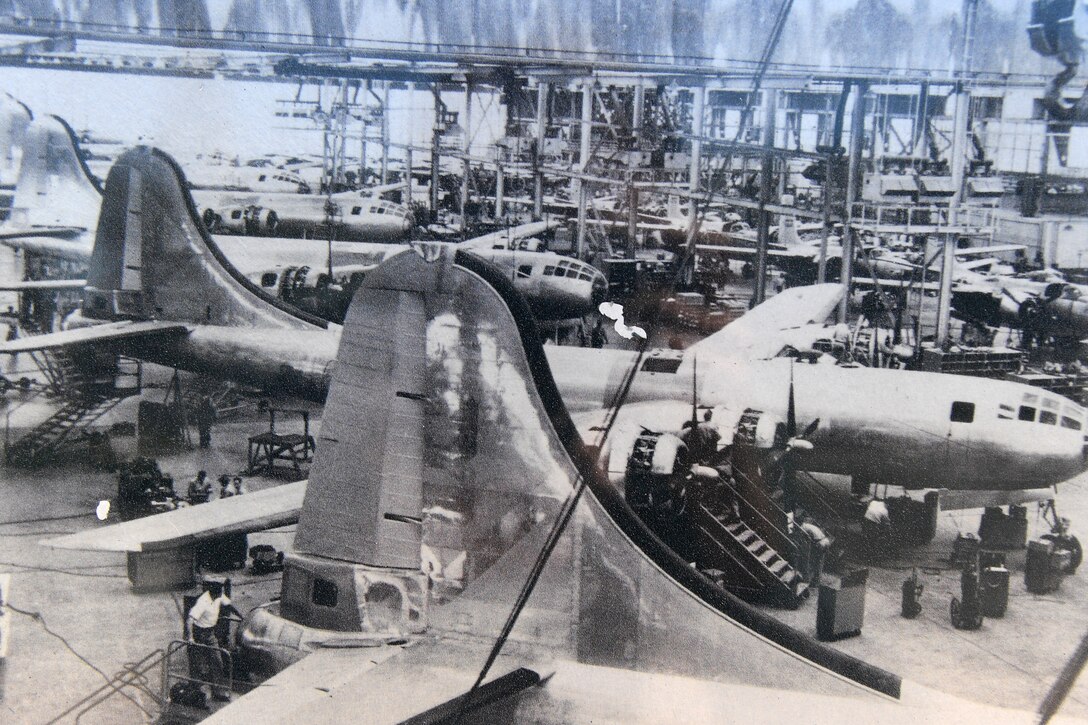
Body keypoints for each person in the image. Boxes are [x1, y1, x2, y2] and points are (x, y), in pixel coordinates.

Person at [187, 580, 243, 702]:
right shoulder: (203, 601)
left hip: (210, 633)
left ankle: (217, 692)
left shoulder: (218, 596)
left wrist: (241, 616)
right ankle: (196, 693)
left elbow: (229, 605)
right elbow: (190, 620)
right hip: (199, 634)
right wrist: (191, 637)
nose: (221, 595)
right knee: (198, 664)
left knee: (217, 661)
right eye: (219, 593)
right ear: (213, 593)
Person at [799, 515, 832, 586]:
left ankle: (812, 581)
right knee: (820, 563)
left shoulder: (803, 528)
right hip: (825, 540)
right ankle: (816, 580)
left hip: (820, 543)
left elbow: (806, 540)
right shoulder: (810, 526)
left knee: (815, 562)